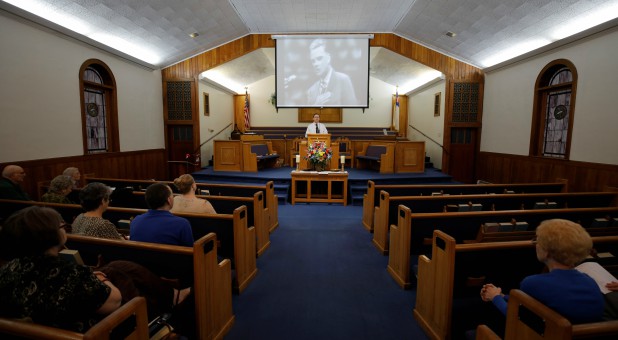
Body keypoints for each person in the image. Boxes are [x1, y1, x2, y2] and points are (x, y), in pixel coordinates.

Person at [0, 206, 122, 333]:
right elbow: (114, 302)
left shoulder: (7, 270)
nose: (64, 229)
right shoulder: (70, 274)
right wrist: (101, 278)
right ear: (50, 235)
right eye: (62, 226)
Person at [477, 219, 604, 336]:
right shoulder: (590, 282)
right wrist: (503, 295)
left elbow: (517, 317)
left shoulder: (533, 283)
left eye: (538, 241)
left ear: (547, 251)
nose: (536, 244)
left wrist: (495, 297)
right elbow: (541, 304)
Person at [130, 183, 194, 247]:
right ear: (169, 200)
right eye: (172, 195)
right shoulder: (182, 223)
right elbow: (191, 252)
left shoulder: (136, 220)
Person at [306, 39, 357, 106]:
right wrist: (316, 105)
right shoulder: (311, 91)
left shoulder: (343, 80)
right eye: (313, 61)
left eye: (319, 58)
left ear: (328, 58)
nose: (316, 64)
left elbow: (352, 110)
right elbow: (309, 115)